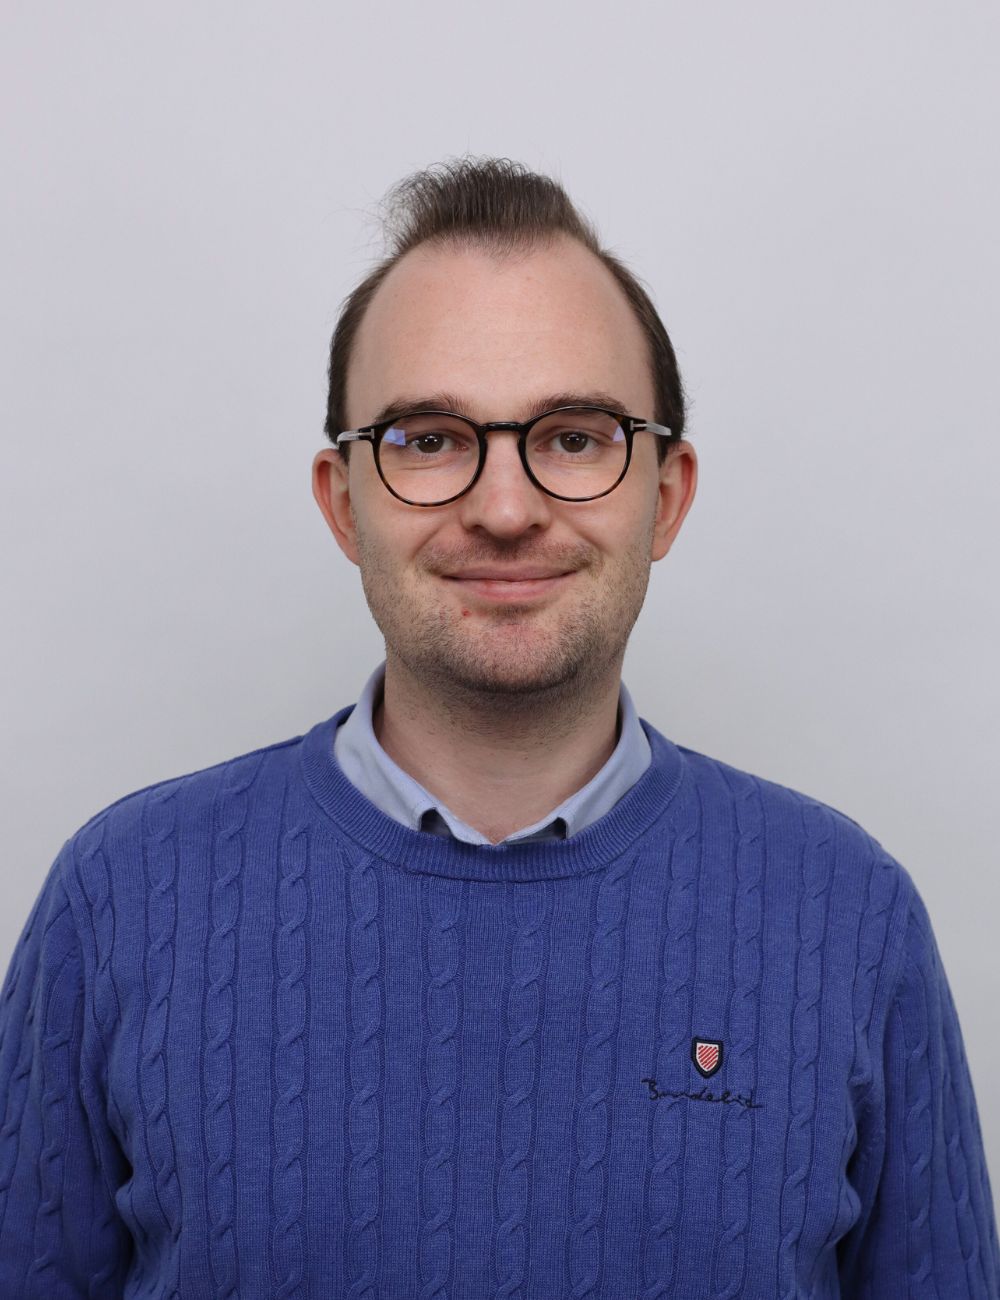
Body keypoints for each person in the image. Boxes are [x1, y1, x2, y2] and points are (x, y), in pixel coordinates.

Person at [0, 157, 996, 1300]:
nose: (505, 507)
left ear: (663, 496)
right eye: (428, 438)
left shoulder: (850, 916)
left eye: (574, 436)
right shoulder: (119, 900)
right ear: (343, 502)